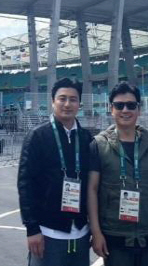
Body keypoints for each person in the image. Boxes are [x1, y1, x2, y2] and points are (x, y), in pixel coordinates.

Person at [88, 82, 148, 266]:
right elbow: (92, 190)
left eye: (131, 105)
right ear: (111, 109)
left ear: (139, 109)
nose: (125, 110)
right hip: (114, 236)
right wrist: (96, 232)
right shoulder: (99, 145)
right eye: (119, 105)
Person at [18, 77, 93, 266]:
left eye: (73, 99)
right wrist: (32, 229)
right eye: (62, 98)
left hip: (81, 232)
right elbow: (26, 185)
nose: (67, 104)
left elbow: (93, 186)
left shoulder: (86, 138)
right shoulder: (37, 136)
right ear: (52, 101)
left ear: (79, 104)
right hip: (47, 232)